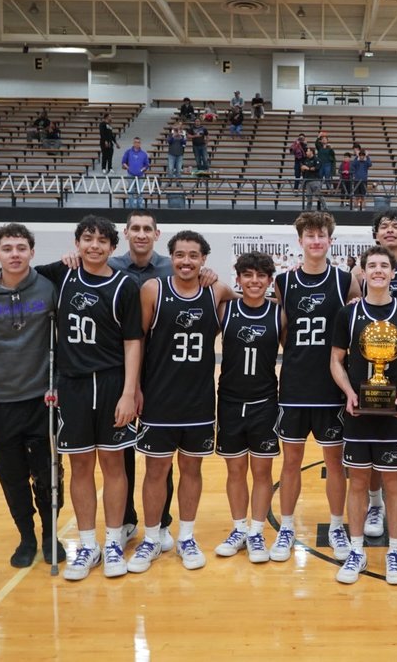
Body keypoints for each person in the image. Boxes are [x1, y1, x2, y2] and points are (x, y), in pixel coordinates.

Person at [0, 216, 144, 582]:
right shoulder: (61, 274)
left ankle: (113, 542)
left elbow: (133, 341)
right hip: (72, 386)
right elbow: (14, 267)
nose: (94, 246)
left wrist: (130, 391)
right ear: (77, 243)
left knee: (114, 466)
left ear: (113, 247)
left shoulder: (125, 285)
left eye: (101, 241)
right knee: (80, 468)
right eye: (87, 239)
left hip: (111, 384)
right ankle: (86, 545)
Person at [127, 231, 235, 574]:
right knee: (155, 471)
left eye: (193, 255)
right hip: (159, 396)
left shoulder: (215, 291)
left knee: (192, 469)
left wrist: (217, 277)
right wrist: (135, 388)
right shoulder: (153, 290)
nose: (186, 261)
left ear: (204, 259)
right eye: (180, 255)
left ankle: (186, 536)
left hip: (200, 399)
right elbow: (138, 340)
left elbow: (246, 296)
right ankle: (152, 536)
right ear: (170, 257)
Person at [0, 223, 65, 569]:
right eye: (7, 249)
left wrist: (59, 383)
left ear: (32, 252)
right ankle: (27, 536)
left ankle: (51, 534)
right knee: (12, 474)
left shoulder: (48, 289)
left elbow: (61, 342)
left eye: (21, 248)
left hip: (42, 398)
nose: (15, 254)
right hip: (1, 400)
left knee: (49, 471)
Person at [331, 246, 397, 585]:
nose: (379, 271)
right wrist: (350, 393)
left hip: (393, 411)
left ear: (393, 272)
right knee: (357, 482)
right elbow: (336, 361)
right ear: (364, 272)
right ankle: (357, 550)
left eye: (385, 265)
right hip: (359, 410)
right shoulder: (349, 314)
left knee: (394, 482)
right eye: (373, 266)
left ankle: (394, 552)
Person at [272, 211, 361, 564]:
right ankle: (287, 526)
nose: (315, 241)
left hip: (331, 387)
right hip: (294, 384)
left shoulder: (345, 281)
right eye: (309, 236)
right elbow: (281, 331)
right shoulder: (284, 281)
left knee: (334, 463)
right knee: (291, 462)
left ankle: (337, 526)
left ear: (330, 240)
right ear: (300, 241)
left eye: (321, 235)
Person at [107, 211, 174, 551]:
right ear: (126, 233)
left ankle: (161, 521)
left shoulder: (171, 266)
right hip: (118, 369)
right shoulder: (111, 264)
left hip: (161, 372)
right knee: (123, 449)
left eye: (148, 228)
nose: (142, 234)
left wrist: (209, 275)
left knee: (161, 451)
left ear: (157, 234)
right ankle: (128, 519)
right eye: (136, 228)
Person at [214, 252, 283, 564]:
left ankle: (256, 531)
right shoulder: (224, 311)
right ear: (238, 279)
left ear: (269, 281)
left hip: (265, 402)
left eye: (261, 276)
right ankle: (239, 528)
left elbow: (295, 356)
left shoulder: (279, 315)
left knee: (262, 470)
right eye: (248, 275)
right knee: (235, 470)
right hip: (229, 402)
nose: (254, 281)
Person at [121, 137, 150, 209]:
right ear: (133, 143)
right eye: (135, 142)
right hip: (130, 174)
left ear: (140, 144)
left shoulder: (143, 154)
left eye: (138, 142)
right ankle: (131, 207)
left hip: (140, 175)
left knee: (140, 191)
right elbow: (123, 162)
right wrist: (128, 168)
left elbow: (146, 165)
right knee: (131, 191)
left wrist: (142, 170)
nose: (137, 144)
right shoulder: (128, 152)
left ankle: (140, 207)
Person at [300, 146, 324, 211]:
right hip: (307, 180)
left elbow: (316, 168)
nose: (306, 152)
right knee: (309, 197)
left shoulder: (317, 160)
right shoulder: (306, 160)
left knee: (319, 195)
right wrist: (302, 169)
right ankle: (308, 210)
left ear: (311, 152)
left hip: (315, 180)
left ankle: (325, 208)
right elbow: (303, 170)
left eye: (307, 151)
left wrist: (307, 168)